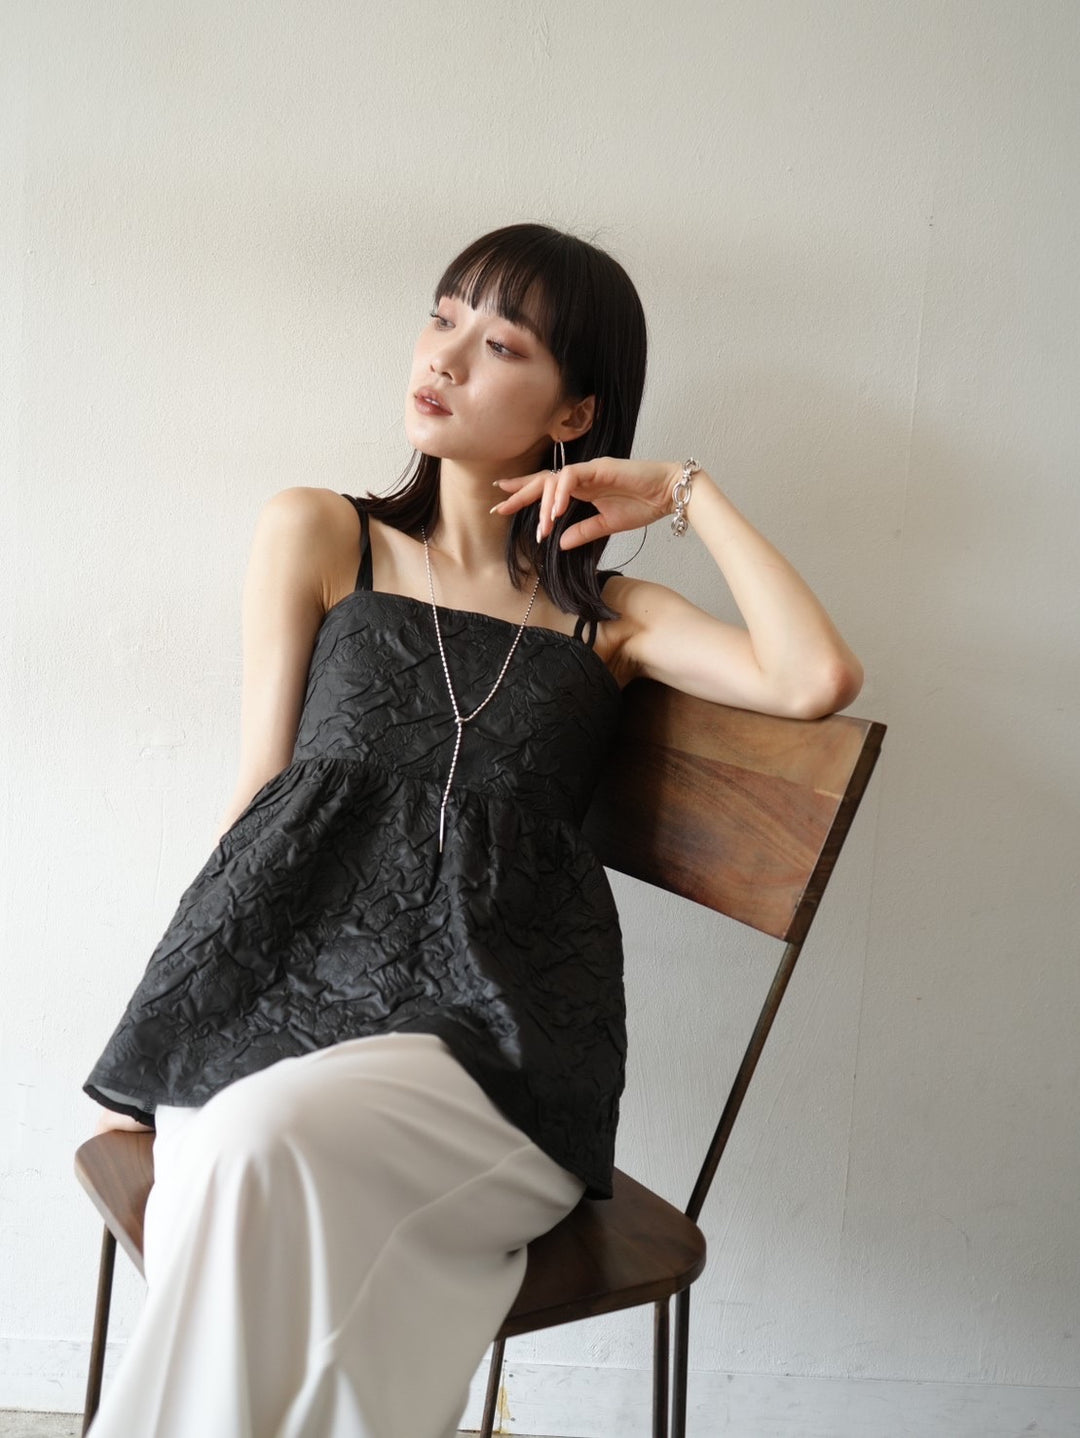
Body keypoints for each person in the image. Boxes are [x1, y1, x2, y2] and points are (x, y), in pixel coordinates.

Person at [82, 222, 862, 1437]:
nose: (444, 356)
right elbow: (258, 796)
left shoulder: (613, 620)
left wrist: (687, 494)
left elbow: (816, 678)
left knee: (248, 1149)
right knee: (231, 1162)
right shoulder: (324, 533)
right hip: (285, 994)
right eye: (442, 317)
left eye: (500, 344)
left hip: (492, 1045)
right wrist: (167, 1021)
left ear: (573, 415)